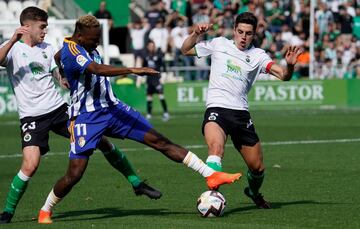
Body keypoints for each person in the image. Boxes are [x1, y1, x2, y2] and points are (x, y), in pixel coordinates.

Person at [37, 15, 241, 224]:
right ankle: (46, 209)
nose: (97, 42)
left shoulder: (78, 45)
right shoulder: (73, 52)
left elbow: (56, 56)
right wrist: (133, 69)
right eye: (93, 39)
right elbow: (96, 69)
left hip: (113, 109)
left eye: (98, 38)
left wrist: (61, 76)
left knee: (160, 141)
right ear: (80, 36)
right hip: (87, 118)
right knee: (75, 173)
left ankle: (210, 174)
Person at [0, 7, 161, 224]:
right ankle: (8, 212)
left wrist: (60, 76)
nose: (45, 31)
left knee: (102, 141)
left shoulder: (47, 48)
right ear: (26, 27)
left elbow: (56, 64)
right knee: (30, 165)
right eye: (42, 27)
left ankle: (136, 182)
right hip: (31, 117)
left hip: (59, 110)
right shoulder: (12, 49)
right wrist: (12, 39)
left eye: (46, 27)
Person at [181, 12, 303, 209]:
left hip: (240, 115)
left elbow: (283, 75)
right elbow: (185, 50)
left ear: (254, 34)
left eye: (248, 33)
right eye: (240, 32)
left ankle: (253, 192)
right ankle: (213, 197)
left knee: (257, 167)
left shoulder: (257, 56)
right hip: (216, 109)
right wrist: (196, 33)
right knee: (215, 149)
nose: (243, 37)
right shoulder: (219, 44)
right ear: (234, 30)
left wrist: (289, 67)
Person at [141, 40, 169, 121]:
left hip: (157, 79)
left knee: (161, 96)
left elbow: (163, 66)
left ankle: (166, 112)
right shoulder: (145, 56)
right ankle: (149, 113)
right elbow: (143, 68)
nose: (151, 47)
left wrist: (164, 76)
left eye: (152, 46)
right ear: (148, 47)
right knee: (149, 97)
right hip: (149, 80)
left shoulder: (158, 55)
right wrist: (142, 78)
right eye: (150, 46)